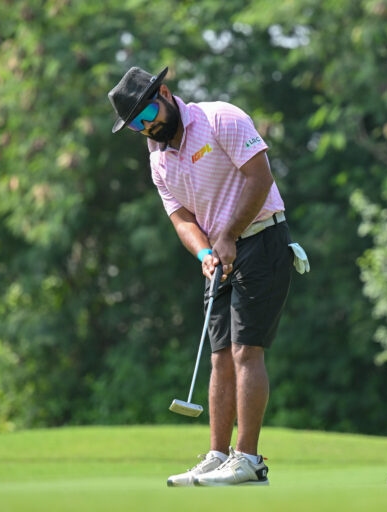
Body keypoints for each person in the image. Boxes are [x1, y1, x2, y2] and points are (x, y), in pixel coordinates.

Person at [108, 66, 308, 487]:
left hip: (262, 238)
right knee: (219, 355)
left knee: (245, 351)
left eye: (148, 116)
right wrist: (204, 251)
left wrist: (229, 235)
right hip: (220, 253)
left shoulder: (220, 118)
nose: (147, 129)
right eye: (136, 126)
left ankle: (249, 459)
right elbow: (180, 217)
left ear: (164, 92)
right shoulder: (158, 157)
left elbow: (261, 177)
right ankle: (218, 455)